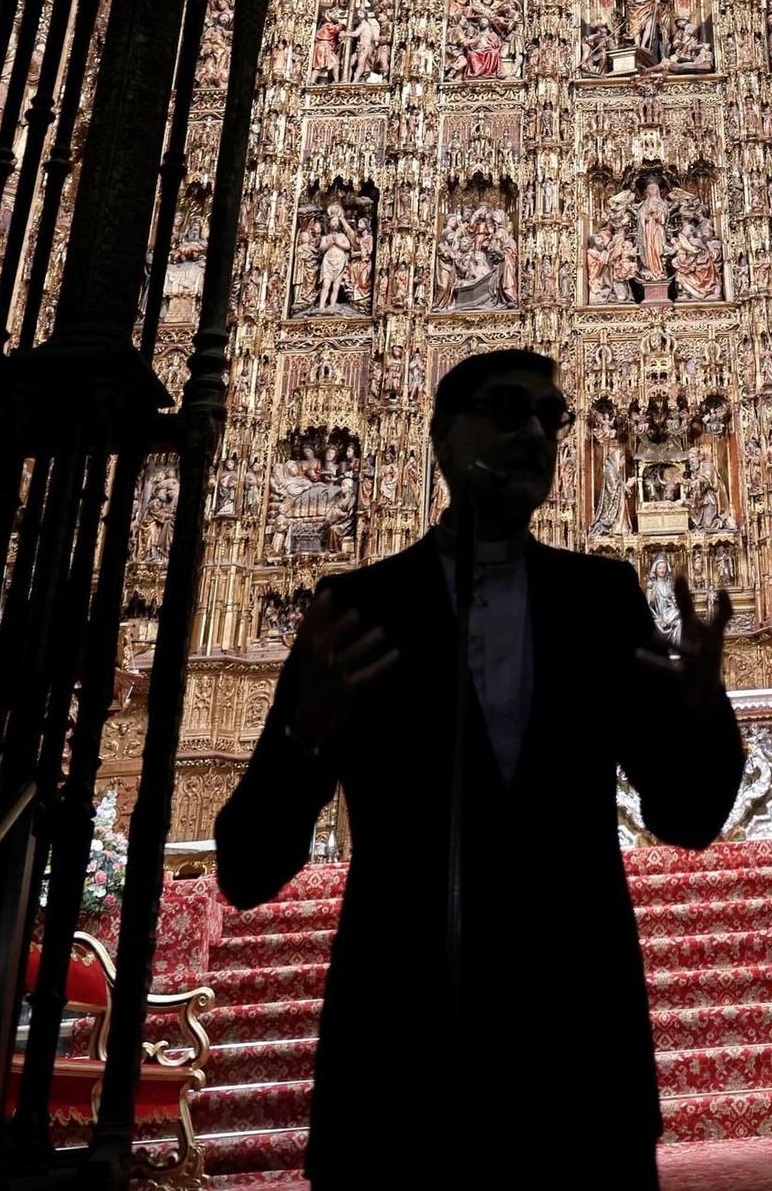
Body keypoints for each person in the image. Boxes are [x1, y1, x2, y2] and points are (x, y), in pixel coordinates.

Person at [215, 347, 743, 1190]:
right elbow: (244, 867)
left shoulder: (600, 599)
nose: (533, 431)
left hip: (576, 1065)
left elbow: (688, 815)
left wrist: (701, 711)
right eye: (506, 409)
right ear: (440, 439)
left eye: (549, 416)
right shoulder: (357, 610)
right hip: (403, 1064)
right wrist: (303, 740)